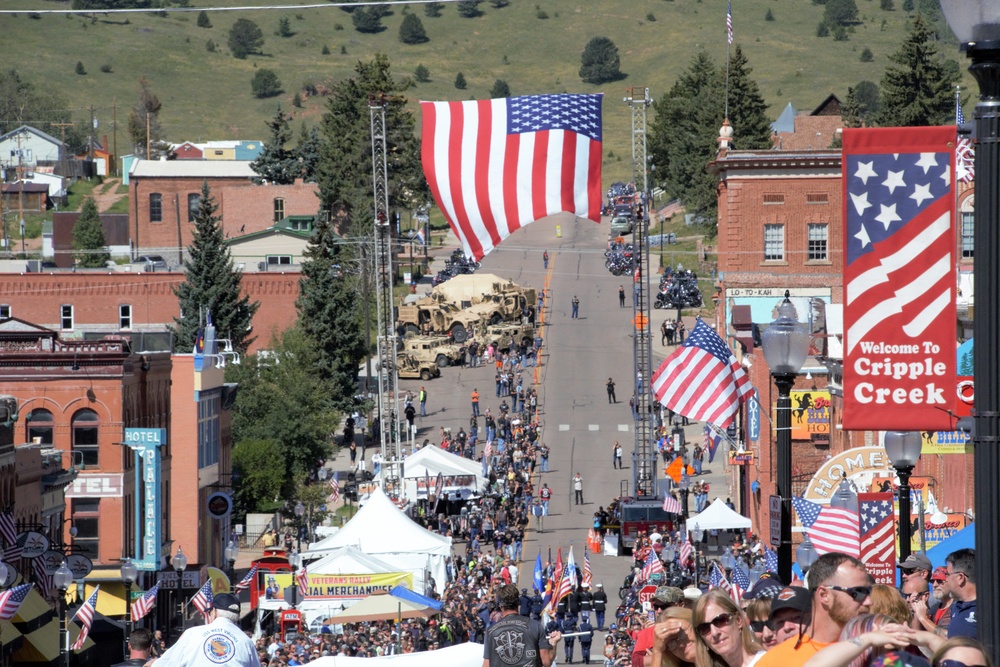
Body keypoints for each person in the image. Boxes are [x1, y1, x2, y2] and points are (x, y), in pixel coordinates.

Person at [756, 553, 874, 667]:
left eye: (869, 592)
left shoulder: (878, 650)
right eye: (858, 592)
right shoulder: (775, 661)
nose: (869, 601)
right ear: (824, 595)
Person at [149, 593, 260, 667]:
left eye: (210, 612)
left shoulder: (192, 634)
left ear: (214, 612)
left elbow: (168, 663)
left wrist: (152, 663)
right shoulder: (246, 641)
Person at [483, 583, 561, 667]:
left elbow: (486, 665)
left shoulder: (491, 631)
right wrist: (553, 644)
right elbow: (546, 662)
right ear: (518, 603)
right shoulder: (535, 626)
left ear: (500, 605)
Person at [692, 589, 765, 667]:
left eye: (720, 620)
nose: (714, 633)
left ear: (738, 620)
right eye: (704, 627)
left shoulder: (768, 660)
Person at [944, 548, 976, 639]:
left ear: (960, 577)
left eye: (948, 574)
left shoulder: (987, 610)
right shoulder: (956, 606)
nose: (946, 579)